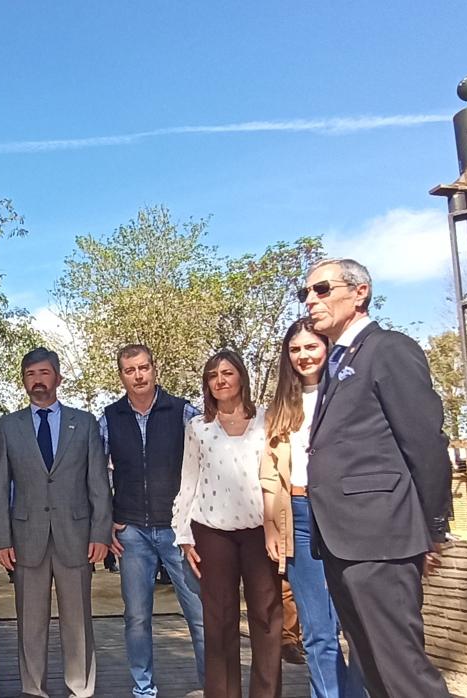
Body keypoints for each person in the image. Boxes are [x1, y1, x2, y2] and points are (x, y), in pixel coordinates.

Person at [301, 258, 452, 697]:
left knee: (403, 671)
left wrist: (432, 527)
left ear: (360, 291)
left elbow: (424, 443)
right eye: (306, 293)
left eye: (322, 289)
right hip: (341, 541)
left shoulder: (388, 349)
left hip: (380, 538)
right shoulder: (338, 361)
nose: (311, 300)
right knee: (371, 666)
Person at [0, 347, 111, 698]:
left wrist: (101, 532)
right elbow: (0, 485)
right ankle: (33, 688)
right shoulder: (9, 426)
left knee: (78, 620)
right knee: (30, 620)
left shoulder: (84, 423)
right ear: (23, 381)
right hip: (26, 536)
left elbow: (98, 484)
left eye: (44, 373)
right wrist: (1, 538)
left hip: (76, 535)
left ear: (57, 378)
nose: (37, 380)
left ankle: (81, 687)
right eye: (30, 374)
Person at [261, 316, 365, 698]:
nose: (303, 355)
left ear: (327, 348)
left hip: (345, 515)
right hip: (299, 516)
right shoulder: (281, 407)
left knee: (357, 627)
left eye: (310, 346)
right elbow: (271, 473)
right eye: (295, 349)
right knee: (317, 631)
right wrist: (272, 526)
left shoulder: (349, 393)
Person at [173, 349, 280, 698]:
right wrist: (183, 534)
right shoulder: (198, 428)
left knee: (265, 617)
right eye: (213, 376)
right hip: (212, 531)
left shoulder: (267, 421)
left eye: (227, 373)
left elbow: (278, 475)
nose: (220, 381)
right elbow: (188, 481)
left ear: (241, 378)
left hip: (260, 532)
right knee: (219, 620)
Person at [99, 344, 205, 698]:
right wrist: (108, 519)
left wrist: (197, 522)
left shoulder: (183, 412)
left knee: (200, 616)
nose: (138, 376)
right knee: (137, 619)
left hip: (179, 532)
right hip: (132, 532)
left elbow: (205, 466)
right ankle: (143, 689)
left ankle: (212, 686)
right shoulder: (110, 417)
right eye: (130, 370)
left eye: (143, 367)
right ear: (121, 375)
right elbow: (97, 475)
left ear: (154, 369)